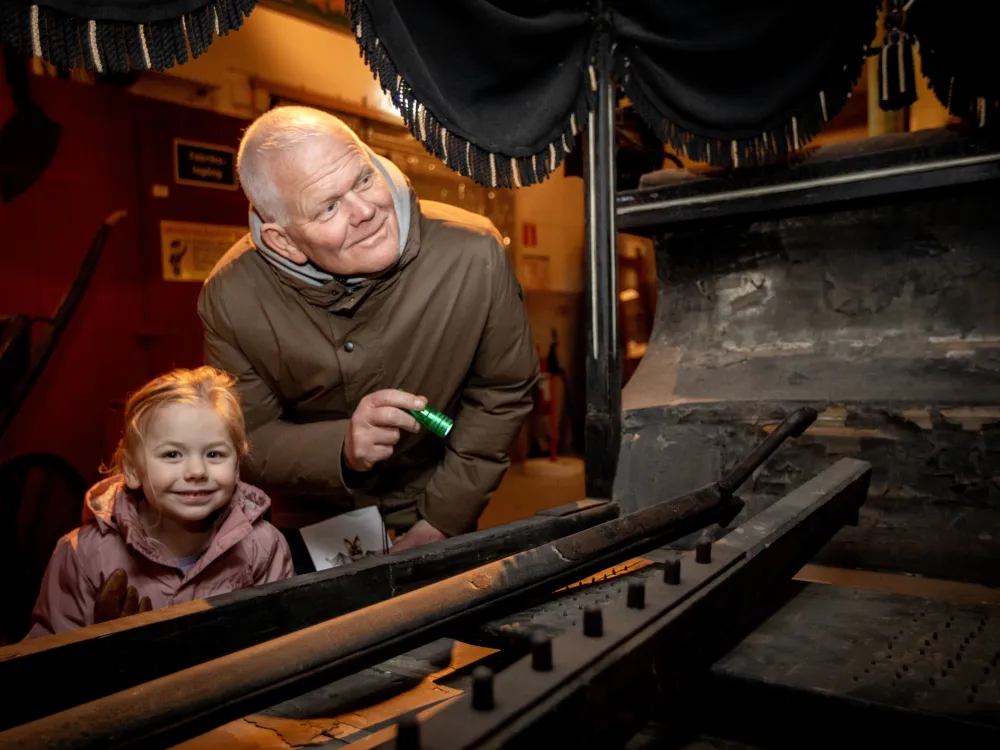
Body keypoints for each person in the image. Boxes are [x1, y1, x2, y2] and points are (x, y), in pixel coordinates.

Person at [198, 106, 538, 555]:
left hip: (439, 502)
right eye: (329, 207)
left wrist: (443, 517)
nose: (366, 211)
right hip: (312, 523)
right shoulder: (231, 297)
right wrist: (341, 448)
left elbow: (502, 394)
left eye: (362, 178)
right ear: (284, 241)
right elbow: (245, 437)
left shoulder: (474, 254)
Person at [25, 367, 293, 638]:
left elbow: (279, 646)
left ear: (236, 466)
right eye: (172, 454)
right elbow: (46, 665)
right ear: (131, 469)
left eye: (214, 453)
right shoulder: (84, 555)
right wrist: (100, 649)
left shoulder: (263, 547)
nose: (197, 471)